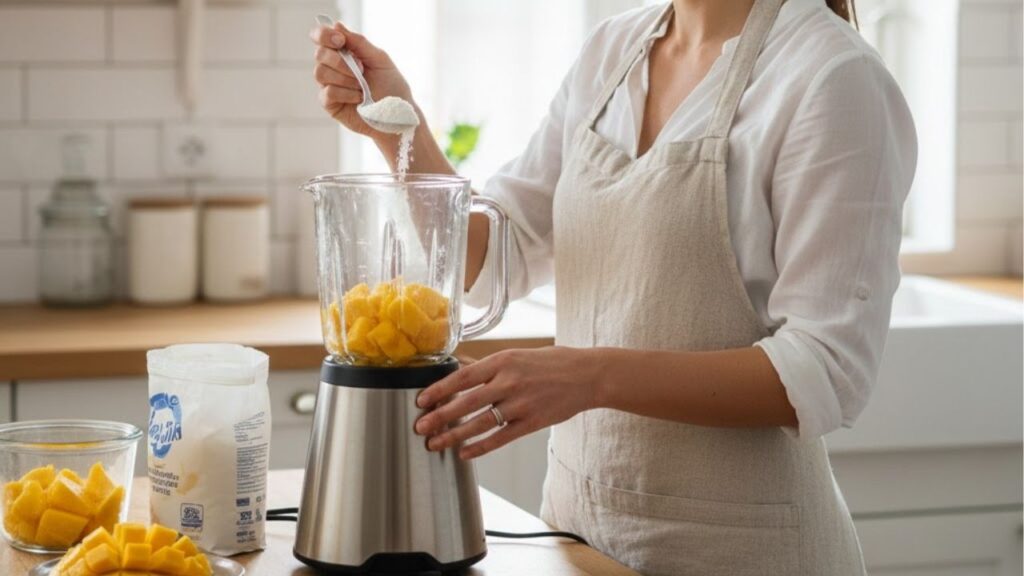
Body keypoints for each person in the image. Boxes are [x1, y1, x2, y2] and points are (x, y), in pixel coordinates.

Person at [311, 0, 916, 573]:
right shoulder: (613, 50)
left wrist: (588, 377)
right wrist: (396, 125)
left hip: (740, 552)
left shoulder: (833, 78)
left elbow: (824, 372)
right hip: (579, 545)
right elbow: (502, 252)